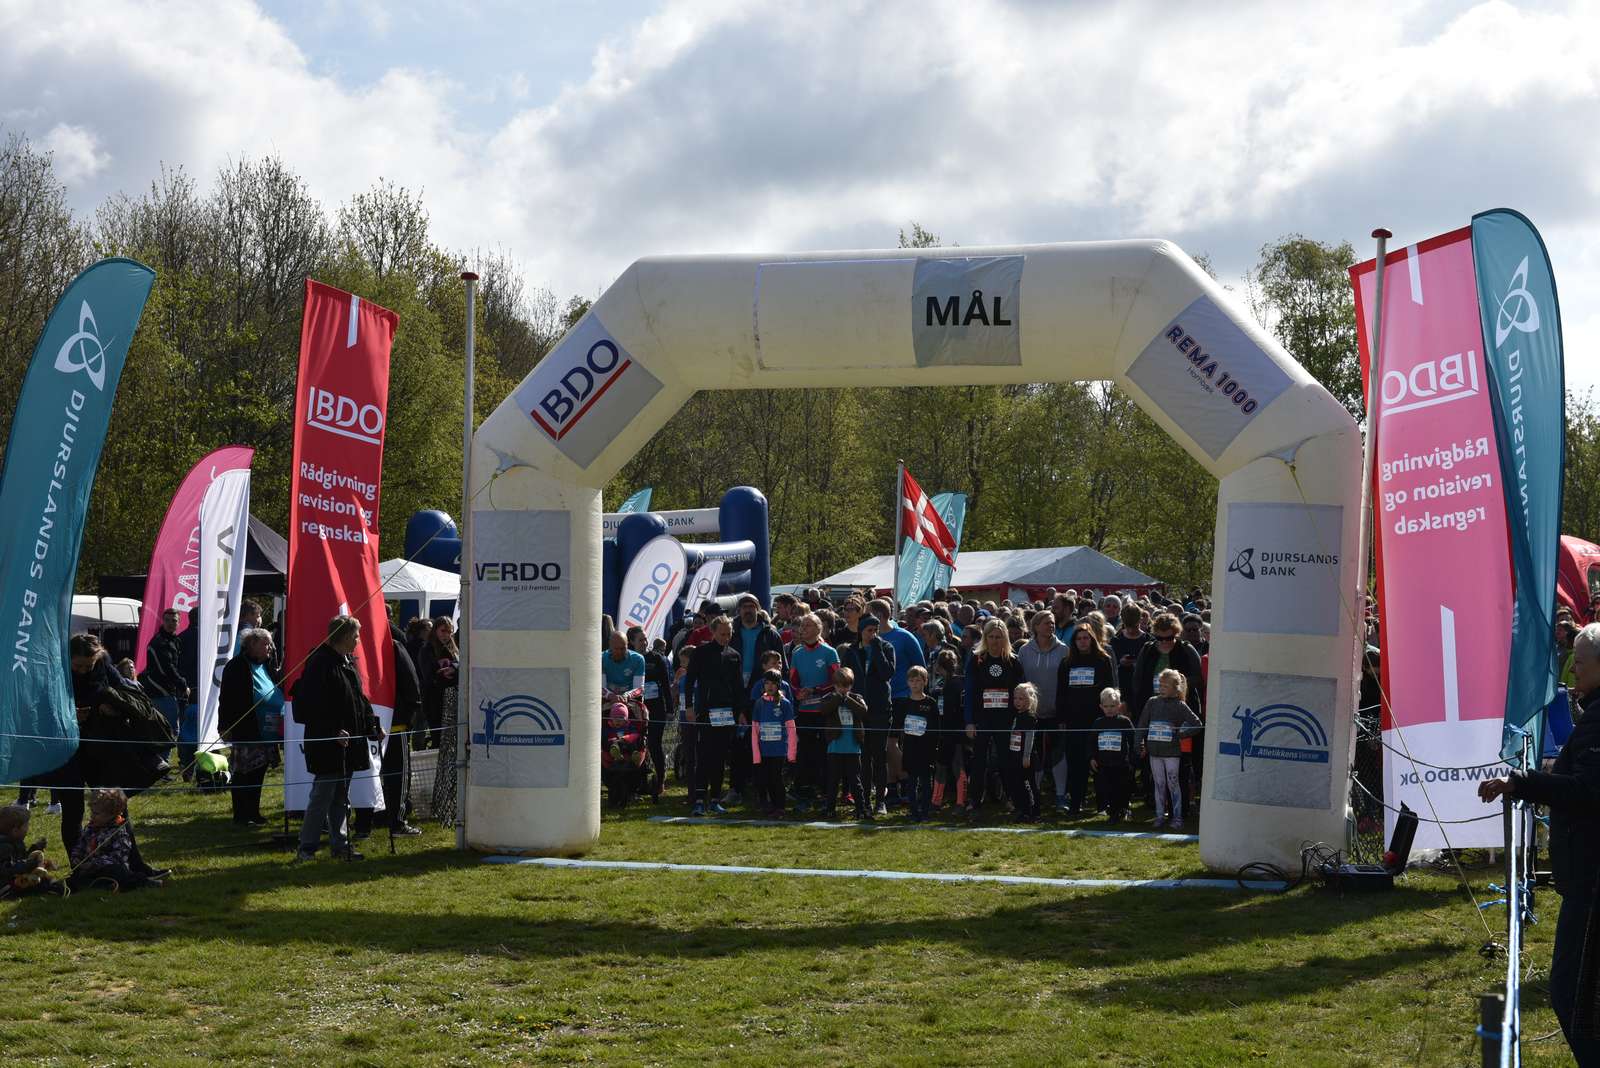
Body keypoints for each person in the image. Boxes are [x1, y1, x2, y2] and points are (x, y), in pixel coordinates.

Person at [1478, 621, 1600, 1063]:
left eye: (1580, 663)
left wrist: (1522, 782)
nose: (1573, 671)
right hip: (1586, 875)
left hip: (1591, 879)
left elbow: (1586, 789)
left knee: (1571, 993)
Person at [291, 615, 383, 863]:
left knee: (341, 796)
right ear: (344, 637)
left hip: (348, 743)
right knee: (322, 796)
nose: (358, 640)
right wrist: (332, 731)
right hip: (327, 743)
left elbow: (359, 699)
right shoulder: (320, 663)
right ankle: (307, 848)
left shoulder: (347, 662)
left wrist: (372, 726)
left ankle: (340, 845)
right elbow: (312, 705)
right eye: (356, 636)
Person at [964, 619, 1025, 816]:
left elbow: (1020, 692)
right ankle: (974, 799)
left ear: (1005, 638)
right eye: (990, 637)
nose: (994, 641)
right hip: (982, 718)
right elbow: (969, 692)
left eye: (998, 637)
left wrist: (1018, 720)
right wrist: (969, 721)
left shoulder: (1013, 661)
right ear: (985, 637)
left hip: (1006, 719)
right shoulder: (976, 660)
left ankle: (1011, 797)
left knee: (1007, 759)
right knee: (979, 760)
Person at [688, 616, 746, 816]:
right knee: (704, 755)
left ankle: (714, 799)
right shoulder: (701, 652)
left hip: (727, 712)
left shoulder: (734, 655)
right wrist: (689, 707)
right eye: (722, 634)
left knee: (720, 757)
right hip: (706, 711)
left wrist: (741, 711)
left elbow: (738, 686)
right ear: (713, 632)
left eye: (729, 634)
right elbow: (690, 681)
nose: (725, 637)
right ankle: (698, 800)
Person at [219, 628, 277, 826]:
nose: (270, 648)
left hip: (267, 729)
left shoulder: (267, 664)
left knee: (259, 772)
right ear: (252, 644)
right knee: (244, 773)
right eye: (265, 644)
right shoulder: (236, 666)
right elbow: (225, 698)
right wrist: (224, 725)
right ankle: (241, 815)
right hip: (246, 727)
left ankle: (254, 811)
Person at [1057, 623, 1116, 815]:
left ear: (1092, 639)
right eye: (1078, 639)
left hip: (1097, 719)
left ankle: (1103, 804)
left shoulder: (1103, 660)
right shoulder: (1066, 663)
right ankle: (1076, 802)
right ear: (1074, 642)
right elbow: (1061, 693)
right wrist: (1061, 719)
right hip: (1073, 720)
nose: (1082, 642)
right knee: (1075, 763)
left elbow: (1109, 689)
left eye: (1086, 638)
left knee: (1100, 761)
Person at [840, 615, 895, 815]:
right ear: (861, 631)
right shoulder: (852, 651)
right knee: (862, 758)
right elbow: (845, 678)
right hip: (859, 709)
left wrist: (877, 649)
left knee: (879, 756)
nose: (873, 634)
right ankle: (863, 803)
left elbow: (887, 673)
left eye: (875, 630)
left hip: (880, 709)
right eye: (869, 630)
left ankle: (880, 801)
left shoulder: (886, 647)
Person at [1017, 612, 1070, 809]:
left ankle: (1060, 796)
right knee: (1034, 755)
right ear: (1036, 626)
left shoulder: (1064, 650)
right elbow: (1021, 681)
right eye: (1047, 623)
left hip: (1057, 712)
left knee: (1059, 754)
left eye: (1053, 623)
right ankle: (1034, 795)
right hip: (1032, 714)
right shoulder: (1024, 651)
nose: (1051, 626)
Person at [1138, 669, 1202, 829]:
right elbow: (1142, 725)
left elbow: (1197, 724)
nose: (1161, 688)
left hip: (1172, 753)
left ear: (1175, 688)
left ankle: (1177, 817)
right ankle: (1159, 816)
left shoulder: (1180, 705)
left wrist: (1180, 734)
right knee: (1159, 784)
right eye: (1160, 685)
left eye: (1165, 686)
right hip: (1154, 752)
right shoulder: (1152, 702)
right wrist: (1139, 744)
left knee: (1173, 783)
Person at [788, 614, 839, 812]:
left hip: (824, 710)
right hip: (804, 711)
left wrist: (816, 690)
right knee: (805, 753)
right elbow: (792, 681)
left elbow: (837, 681)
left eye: (808, 625)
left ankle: (826, 793)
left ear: (819, 628)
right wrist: (798, 692)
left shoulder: (830, 652)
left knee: (824, 752)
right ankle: (804, 793)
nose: (803, 629)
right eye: (802, 626)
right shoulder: (797, 653)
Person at [69, 788, 164, 892]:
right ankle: (95, 885)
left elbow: (118, 857)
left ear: (111, 814)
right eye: (92, 812)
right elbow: (81, 845)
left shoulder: (119, 832)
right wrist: (76, 857)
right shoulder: (90, 828)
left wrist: (94, 864)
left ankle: (144, 882)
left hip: (109, 868)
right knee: (75, 879)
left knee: (120, 873)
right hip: (90, 870)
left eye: (96, 813)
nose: (92, 816)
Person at [630, 626, 676, 801]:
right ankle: (639, 783)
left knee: (655, 744)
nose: (644, 643)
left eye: (645, 639)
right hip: (636, 708)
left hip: (656, 708)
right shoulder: (630, 659)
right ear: (632, 642)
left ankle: (660, 780)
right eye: (640, 640)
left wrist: (670, 709)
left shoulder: (656, 659)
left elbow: (666, 685)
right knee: (637, 745)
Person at [820, 666, 868, 820]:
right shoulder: (829, 698)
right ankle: (830, 809)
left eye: (846, 686)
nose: (843, 689)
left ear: (851, 685)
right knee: (833, 780)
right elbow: (824, 710)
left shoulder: (857, 698)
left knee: (855, 780)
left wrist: (847, 700)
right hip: (835, 747)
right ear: (834, 685)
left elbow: (863, 711)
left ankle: (861, 809)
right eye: (839, 686)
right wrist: (838, 699)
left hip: (853, 747)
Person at [750, 669, 797, 817]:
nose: (770, 686)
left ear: (779, 685)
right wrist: (756, 754)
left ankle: (780, 807)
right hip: (764, 750)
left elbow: (791, 729)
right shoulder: (759, 703)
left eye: (773, 683)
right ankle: (769, 806)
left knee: (777, 778)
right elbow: (755, 730)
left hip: (779, 750)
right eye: (767, 683)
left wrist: (791, 753)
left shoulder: (785, 704)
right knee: (766, 779)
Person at [894, 666, 939, 821]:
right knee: (911, 782)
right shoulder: (904, 704)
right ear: (907, 682)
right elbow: (898, 726)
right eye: (912, 680)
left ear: (925, 682)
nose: (915, 684)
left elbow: (936, 729)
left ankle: (925, 812)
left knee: (926, 782)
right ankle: (913, 812)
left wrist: (934, 747)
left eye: (918, 680)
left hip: (926, 749)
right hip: (909, 749)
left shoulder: (931, 703)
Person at [143, 607, 189, 748]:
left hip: (168, 691)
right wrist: (182, 684)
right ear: (162, 621)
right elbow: (166, 668)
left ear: (179, 623)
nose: (170, 623)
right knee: (169, 731)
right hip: (159, 692)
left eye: (174, 620)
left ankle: (159, 759)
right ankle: (162, 760)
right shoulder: (159, 642)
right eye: (167, 620)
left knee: (166, 731)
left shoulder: (174, 640)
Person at [1090, 688, 1137, 823]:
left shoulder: (1124, 721)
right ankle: (1114, 812)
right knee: (1108, 788)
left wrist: (1134, 756)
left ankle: (1123, 809)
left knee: (1122, 788)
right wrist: (1092, 757)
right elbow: (1092, 742)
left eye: (1112, 706)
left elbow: (1133, 739)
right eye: (1106, 706)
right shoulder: (1098, 723)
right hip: (1104, 764)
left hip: (1121, 763)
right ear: (1101, 707)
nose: (1109, 709)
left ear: (1119, 706)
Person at [1, 804, 65, 897]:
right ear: (15, 830)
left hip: (15, 876)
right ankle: (51, 887)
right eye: (26, 826)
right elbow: (8, 869)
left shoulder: (16, 841)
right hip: (5, 883)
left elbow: (21, 858)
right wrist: (30, 864)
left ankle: (53, 885)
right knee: (30, 882)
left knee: (38, 877)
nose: (28, 828)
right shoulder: (4, 846)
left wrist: (35, 849)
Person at [418, 617, 460, 750]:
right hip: (434, 702)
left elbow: (461, 665)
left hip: (452, 700)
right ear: (435, 630)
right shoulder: (426, 650)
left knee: (452, 740)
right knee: (438, 739)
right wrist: (442, 674)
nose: (446, 635)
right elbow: (428, 676)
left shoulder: (453, 649)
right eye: (443, 631)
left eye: (449, 631)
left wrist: (454, 668)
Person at [1002, 683, 1041, 822]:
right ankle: (1023, 811)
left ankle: (1034, 813)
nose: (1017, 701)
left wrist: (1026, 756)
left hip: (1026, 758)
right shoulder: (1016, 715)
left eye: (1021, 698)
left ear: (1029, 699)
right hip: (1015, 756)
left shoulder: (1030, 717)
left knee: (1029, 785)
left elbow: (1030, 737)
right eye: (1015, 698)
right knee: (1017, 784)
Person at [601, 701, 648, 807]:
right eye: (615, 718)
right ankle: (616, 754)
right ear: (611, 718)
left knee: (633, 740)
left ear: (626, 719)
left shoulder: (630, 727)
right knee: (612, 743)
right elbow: (604, 739)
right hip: (612, 749)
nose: (618, 721)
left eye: (621, 718)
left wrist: (626, 738)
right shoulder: (608, 728)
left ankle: (634, 756)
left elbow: (636, 735)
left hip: (628, 748)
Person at [602, 629, 647, 695]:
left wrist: (626, 696)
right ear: (610, 647)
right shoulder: (602, 658)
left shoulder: (638, 659)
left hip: (630, 699)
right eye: (616, 649)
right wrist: (610, 696)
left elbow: (639, 688)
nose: (619, 652)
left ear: (627, 645)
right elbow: (600, 687)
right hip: (607, 698)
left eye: (623, 648)